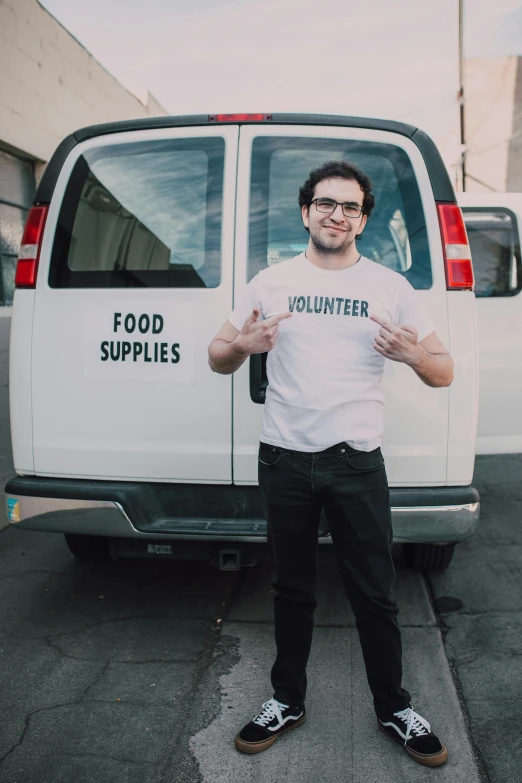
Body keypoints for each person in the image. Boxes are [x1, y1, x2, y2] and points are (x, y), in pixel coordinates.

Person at [207, 160, 453, 767]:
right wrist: (244, 345)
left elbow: (444, 371)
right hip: (286, 460)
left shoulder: (391, 287)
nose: (336, 215)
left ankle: (393, 707)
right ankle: (286, 699)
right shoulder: (270, 281)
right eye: (325, 203)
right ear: (305, 211)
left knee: (375, 593)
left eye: (349, 207)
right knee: (291, 588)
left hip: (356, 463)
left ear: (363, 219)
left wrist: (410, 355)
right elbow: (217, 354)